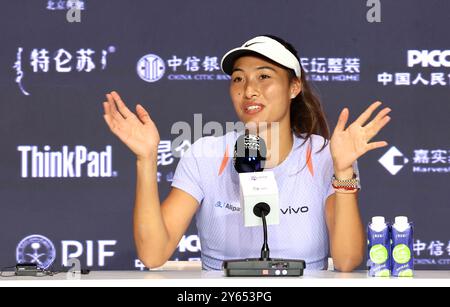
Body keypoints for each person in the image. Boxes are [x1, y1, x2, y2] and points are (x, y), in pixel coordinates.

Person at [102, 35, 392, 272]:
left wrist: (343, 171)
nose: (249, 90)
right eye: (238, 79)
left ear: (294, 86)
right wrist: (146, 159)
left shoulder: (323, 154)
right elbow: (153, 255)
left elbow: (347, 260)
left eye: (264, 76)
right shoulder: (207, 153)